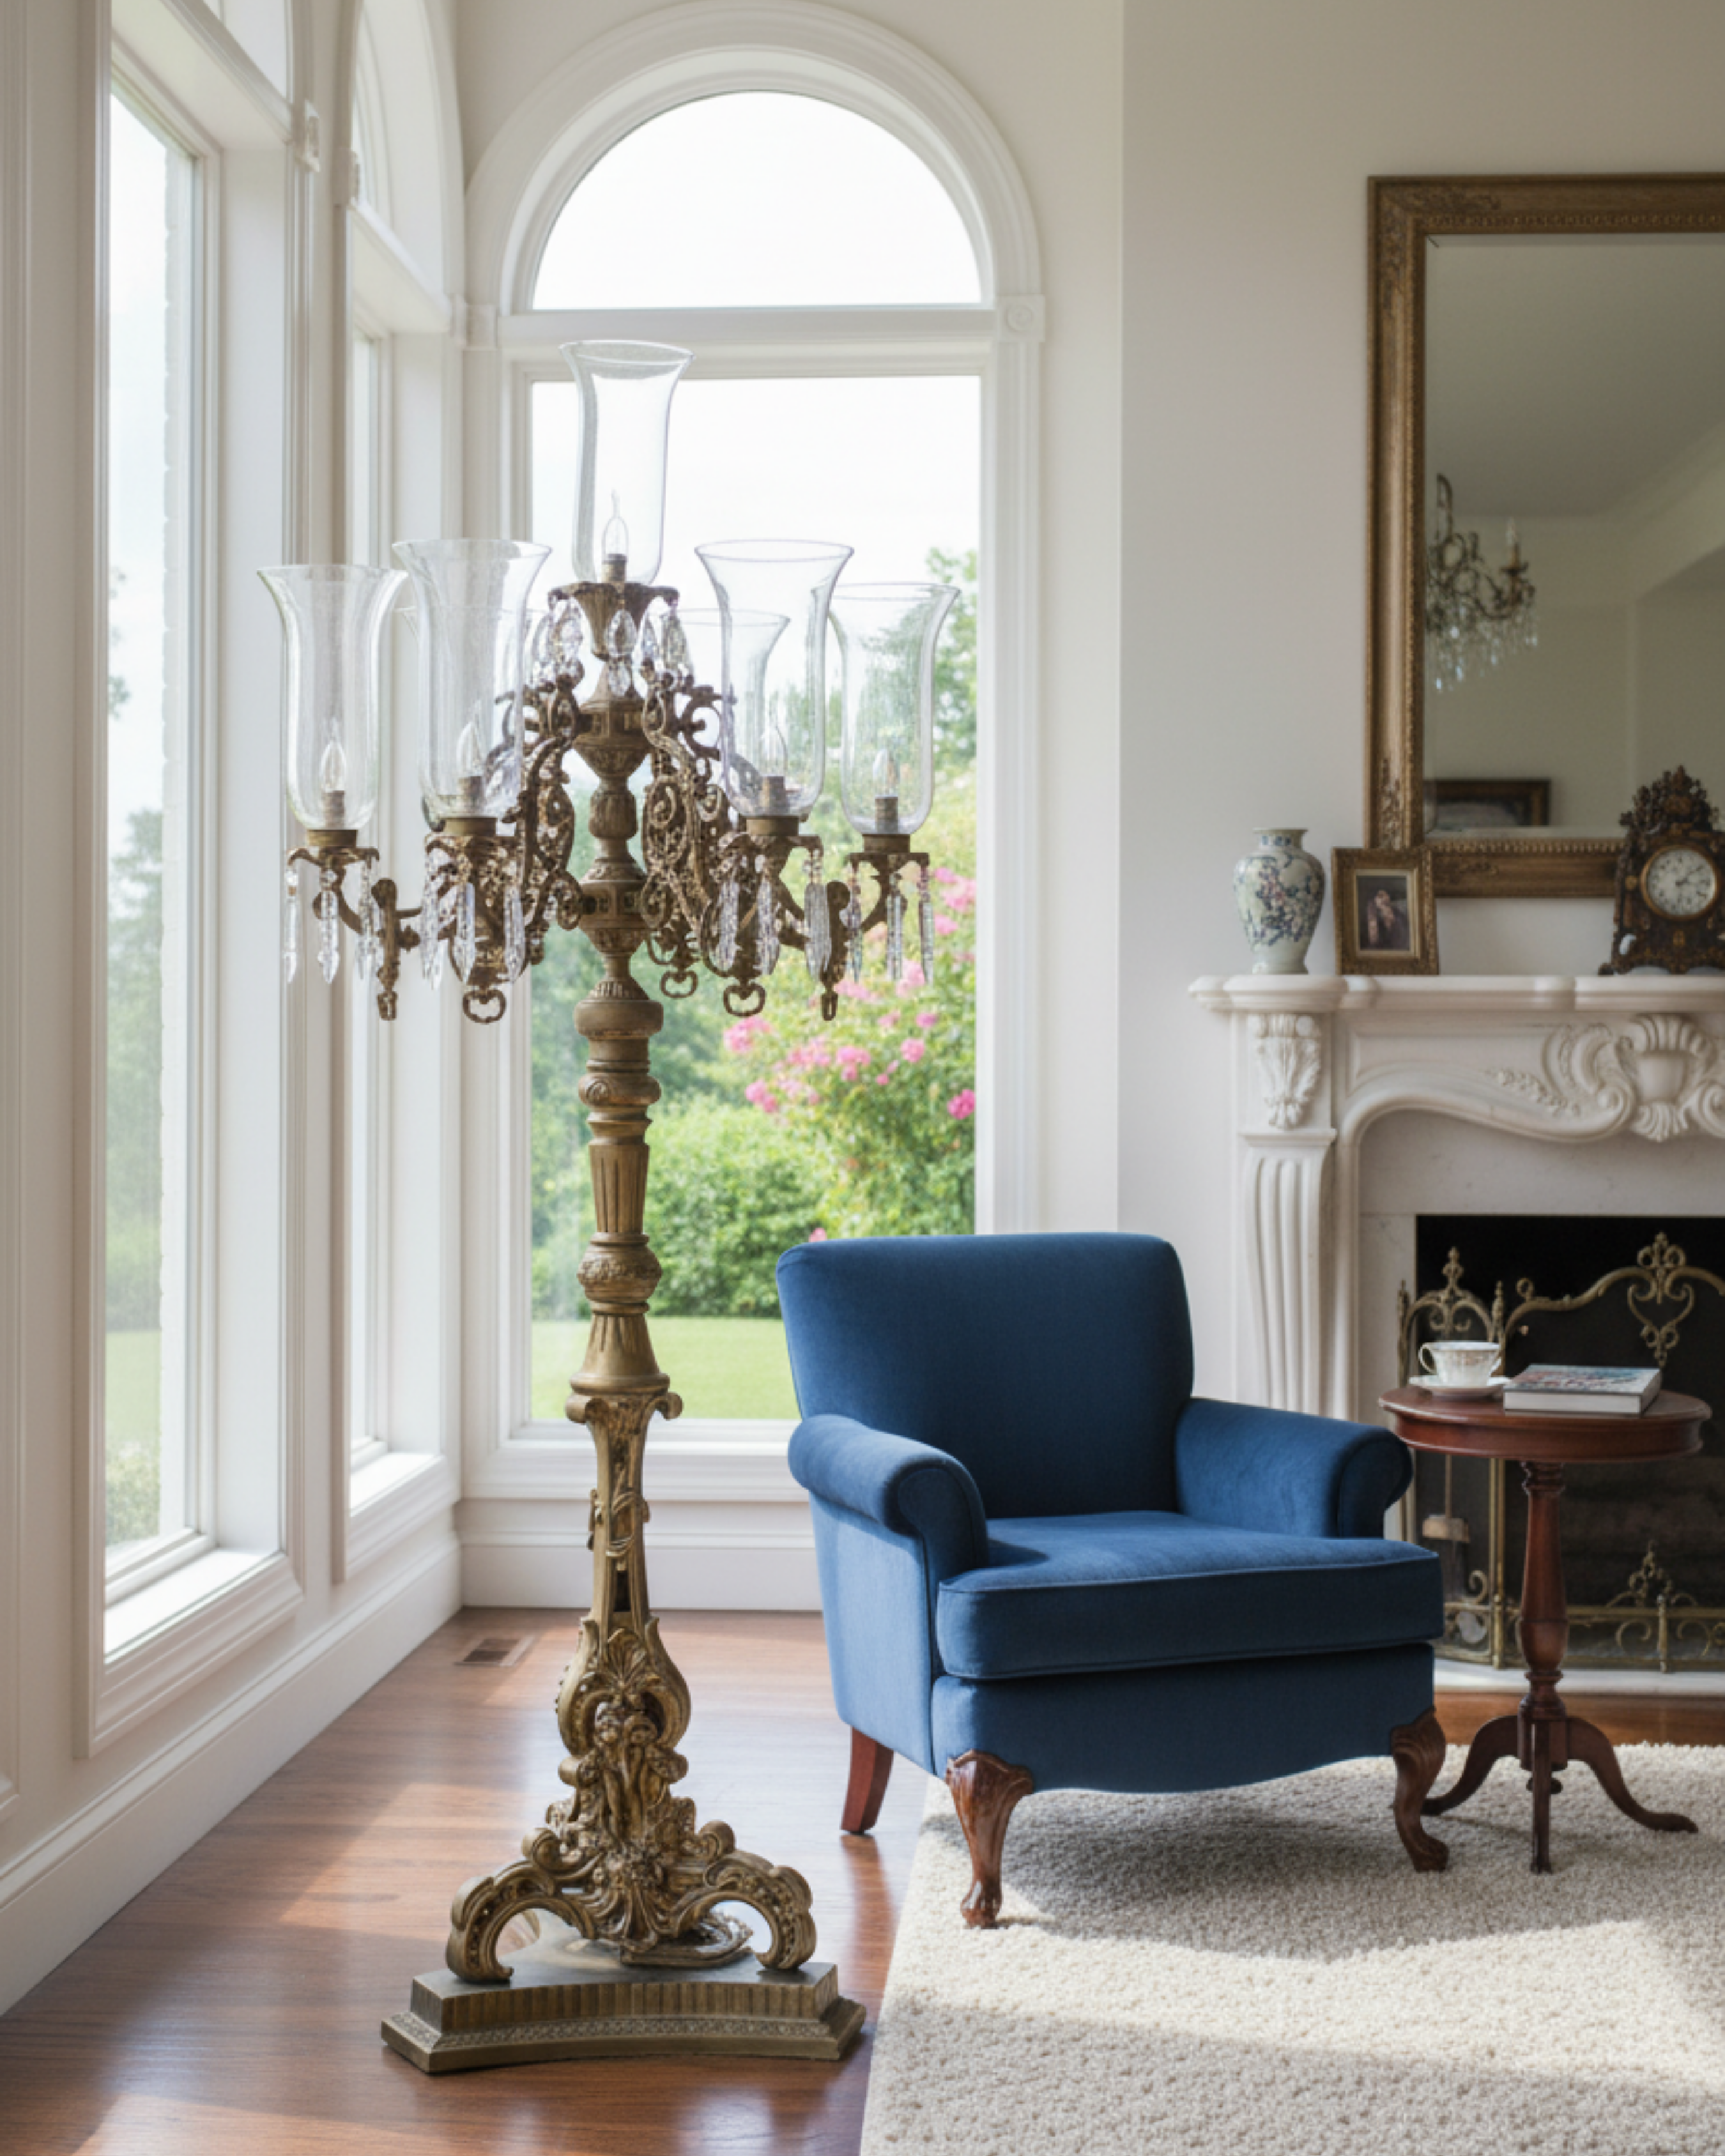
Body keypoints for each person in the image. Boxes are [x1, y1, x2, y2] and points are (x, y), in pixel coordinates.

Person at [1364, 882, 1411, 952]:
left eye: (1387, 895)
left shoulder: (1398, 913)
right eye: (1380, 896)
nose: (1385, 899)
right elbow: (1373, 941)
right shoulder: (1371, 916)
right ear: (1375, 900)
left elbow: (1405, 935)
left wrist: (1392, 921)